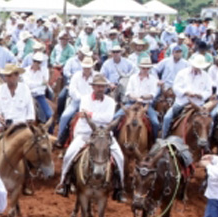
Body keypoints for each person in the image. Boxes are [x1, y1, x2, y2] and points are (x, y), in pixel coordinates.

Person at [55, 74, 126, 202]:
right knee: (69, 155)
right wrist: (95, 117)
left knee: (120, 157)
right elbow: (86, 116)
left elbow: (108, 118)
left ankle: (119, 188)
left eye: (102, 86)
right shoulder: (85, 99)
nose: (100, 89)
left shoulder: (111, 102)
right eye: (98, 86)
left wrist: (91, 114)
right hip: (85, 133)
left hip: (105, 135)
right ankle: (63, 183)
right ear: (93, 87)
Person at [0, 63, 34, 154]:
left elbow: (30, 110)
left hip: (20, 126)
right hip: (1, 125)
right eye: (6, 76)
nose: (8, 78)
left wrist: (27, 122)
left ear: (17, 75)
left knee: (34, 147)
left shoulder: (25, 89)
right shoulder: (0, 89)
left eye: (10, 75)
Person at [162, 55, 213, 138]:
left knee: (210, 121)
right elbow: (176, 87)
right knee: (167, 118)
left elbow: (209, 91)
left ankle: (208, 140)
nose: (197, 68)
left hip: (198, 105)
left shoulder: (206, 76)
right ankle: (164, 137)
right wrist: (185, 92)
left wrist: (201, 95)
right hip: (182, 103)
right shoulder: (182, 73)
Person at [116, 57, 161, 141]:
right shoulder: (133, 77)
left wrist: (142, 97)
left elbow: (153, 94)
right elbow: (128, 92)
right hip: (131, 103)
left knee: (155, 123)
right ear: (140, 67)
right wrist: (136, 98)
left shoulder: (153, 79)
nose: (145, 69)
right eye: (144, 67)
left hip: (146, 104)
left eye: (147, 68)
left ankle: (154, 142)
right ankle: (115, 139)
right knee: (116, 117)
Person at [56, 56, 95, 148]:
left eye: (88, 67)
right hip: (77, 101)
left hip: (91, 103)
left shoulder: (96, 76)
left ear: (91, 67)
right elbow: (72, 90)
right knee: (65, 116)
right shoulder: (76, 76)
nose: (86, 69)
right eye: (85, 67)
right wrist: (81, 98)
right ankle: (60, 138)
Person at [24, 53, 52, 125]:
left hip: (39, 95)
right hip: (27, 95)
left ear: (41, 63)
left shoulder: (45, 71)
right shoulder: (26, 70)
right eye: (35, 61)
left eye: (38, 62)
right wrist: (39, 83)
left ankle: (49, 132)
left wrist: (34, 87)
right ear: (32, 61)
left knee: (49, 115)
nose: (36, 63)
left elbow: (44, 86)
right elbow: (27, 84)